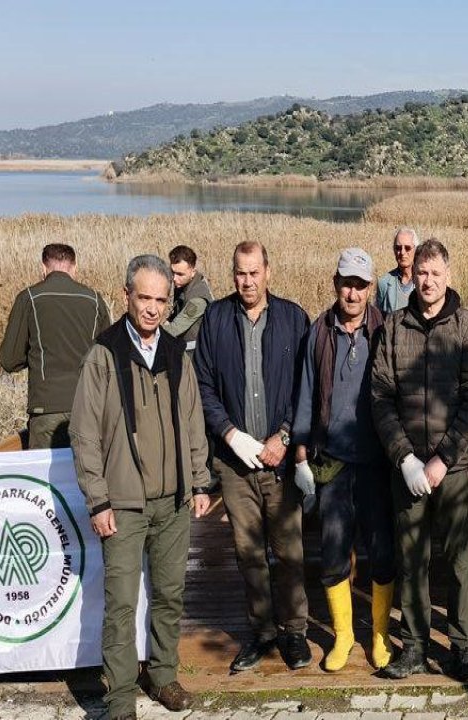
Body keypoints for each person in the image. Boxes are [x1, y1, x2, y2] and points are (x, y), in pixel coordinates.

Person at [69, 254, 212, 720]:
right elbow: (84, 433)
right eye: (144, 297)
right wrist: (98, 499)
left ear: (171, 302)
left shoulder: (174, 351)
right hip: (124, 505)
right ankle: (119, 699)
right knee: (121, 603)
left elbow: (192, 420)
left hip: (173, 501)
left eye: (161, 300)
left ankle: (164, 675)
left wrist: (200, 480)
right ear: (126, 295)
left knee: (170, 595)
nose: (152, 308)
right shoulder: (104, 354)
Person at [370, 238, 468, 680]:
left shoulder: (465, 325)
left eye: (436, 274)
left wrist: (441, 460)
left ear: (448, 276)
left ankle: (463, 648)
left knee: (459, 561)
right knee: (411, 560)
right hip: (407, 469)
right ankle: (415, 647)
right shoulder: (395, 326)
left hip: (453, 469)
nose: (428, 281)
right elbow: (380, 396)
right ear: (412, 275)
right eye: (422, 273)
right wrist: (404, 459)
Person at [195, 241, 311, 673]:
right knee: (248, 552)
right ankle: (262, 633)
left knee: (288, 551)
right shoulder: (215, 319)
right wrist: (228, 432)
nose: (247, 281)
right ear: (233, 274)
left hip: (278, 459)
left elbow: (306, 385)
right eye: (240, 273)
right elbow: (203, 386)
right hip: (235, 462)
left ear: (268, 271)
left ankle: (294, 632)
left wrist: (284, 434)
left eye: (254, 272)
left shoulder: (294, 318)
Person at [290, 248, 396, 673]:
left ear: (371, 288)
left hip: (375, 462)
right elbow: (305, 394)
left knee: (383, 551)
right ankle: (344, 635)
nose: (352, 292)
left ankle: (380, 635)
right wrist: (300, 453)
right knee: (333, 552)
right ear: (335, 283)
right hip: (331, 463)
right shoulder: (318, 332)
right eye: (346, 283)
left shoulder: (385, 331)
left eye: (360, 284)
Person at [0, 242, 111, 448]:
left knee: (45, 478)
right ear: (74, 267)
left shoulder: (30, 298)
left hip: (46, 406)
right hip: (87, 406)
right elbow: (107, 357)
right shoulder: (95, 300)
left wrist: (35, 355)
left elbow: (9, 360)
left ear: (43, 267)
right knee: (86, 475)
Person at [163, 245, 214, 354]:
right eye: (172, 272)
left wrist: (144, 332)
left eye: (180, 274)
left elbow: (174, 330)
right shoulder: (183, 285)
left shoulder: (197, 300)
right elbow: (172, 318)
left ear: (193, 272)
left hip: (196, 356)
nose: (174, 278)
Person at [375, 226, 419, 315]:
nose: (402, 252)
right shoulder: (384, 283)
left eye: (407, 248)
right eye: (398, 248)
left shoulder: (423, 281)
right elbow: (378, 317)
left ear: (416, 250)